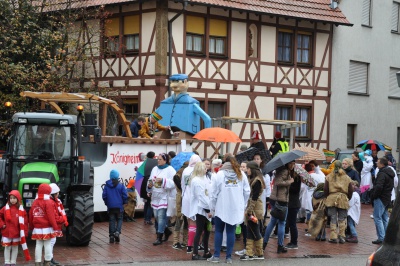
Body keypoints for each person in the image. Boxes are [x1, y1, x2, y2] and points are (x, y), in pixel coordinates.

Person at [208, 156, 250, 264]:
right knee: (231, 231)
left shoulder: (220, 175)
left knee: (218, 231)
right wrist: (243, 204)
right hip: (235, 207)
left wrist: (212, 207)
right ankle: (228, 257)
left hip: (221, 207)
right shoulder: (241, 174)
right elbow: (247, 191)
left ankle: (216, 256)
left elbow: (213, 193)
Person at [262, 161, 294, 254]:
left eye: (294, 163)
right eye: (291, 163)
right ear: (287, 163)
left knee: (272, 222)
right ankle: (280, 246)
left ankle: (264, 244)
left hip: (275, 198)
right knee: (281, 223)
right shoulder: (285, 171)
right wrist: (290, 181)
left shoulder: (280, 170)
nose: (293, 165)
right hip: (281, 200)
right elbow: (279, 182)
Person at [147, 153, 176, 245]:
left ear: (165, 160)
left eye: (160, 159)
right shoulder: (154, 169)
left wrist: (163, 180)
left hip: (164, 196)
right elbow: (150, 179)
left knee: (161, 216)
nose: (158, 161)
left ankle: (159, 237)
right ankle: (167, 231)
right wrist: (150, 185)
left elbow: (173, 182)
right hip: (155, 195)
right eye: (158, 159)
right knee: (156, 216)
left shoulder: (170, 169)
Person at [239, 161, 265, 261]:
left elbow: (254, 198)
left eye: (248, 169)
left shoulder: (257, 181)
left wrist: (249, 210)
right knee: (250, 230)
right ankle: (249, 253)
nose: (247, 170)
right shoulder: (253, 179)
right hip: (252, 208)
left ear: (252, 169)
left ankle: (259, 253)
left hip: (255, 209)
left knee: (255, 231)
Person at [323, 160, 353, 244]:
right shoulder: (346, 177)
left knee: (332, 217)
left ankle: (333, 236)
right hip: (343, 198)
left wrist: (327, 197)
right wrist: (348, 197)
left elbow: (325, 189)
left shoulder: (329, 176)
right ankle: (342, 236)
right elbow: (351, 189)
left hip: (331, 198)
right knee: (342, 218)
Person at [30, 184, 59, 266]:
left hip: (37, 228)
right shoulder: (49, 202)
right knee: (47, 244)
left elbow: (31, 214)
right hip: (47, 227)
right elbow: (51, 216)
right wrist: (55, 226)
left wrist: (31, 226)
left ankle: (37, 262)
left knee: (38, 244)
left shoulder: (35, 202)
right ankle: (47, 261)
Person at [189, 162, 213, 260]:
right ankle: (195, 253)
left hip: (206, 207)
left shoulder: (205, 178)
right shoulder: (196, 180)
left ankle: (206, 251)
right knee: (199, 230)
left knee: (207, 230)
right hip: (201, 209)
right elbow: (201, 196)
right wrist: (207, 210)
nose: (206, 169)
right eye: (204, 168)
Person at [0, 190, 30, 265]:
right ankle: (7, 261)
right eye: (11, 198)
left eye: (14, 198)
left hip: (17, 232)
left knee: (15, 247)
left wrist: (25, 232)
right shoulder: (5, 208)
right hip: (7, 232)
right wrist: (2, 224)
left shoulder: (21, 210)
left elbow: (25, 222)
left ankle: (13, 261)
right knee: (7, 247)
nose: (12, 200)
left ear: (18, 199)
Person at [370, 157, 395, 245]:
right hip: (387, 197)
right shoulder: (390, 173)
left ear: (382, 164)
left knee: (377, 218)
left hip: (380, 198)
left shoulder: (382, 174)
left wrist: (374, 195)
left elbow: (379, 186)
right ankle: (387, 237)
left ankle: (381, 237)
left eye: (378, 162)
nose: (377, 163)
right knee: (385, 218)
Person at [181, 154, 202, 253]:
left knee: (190, 222)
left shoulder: (185, 170)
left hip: (186, 198)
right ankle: (193, 245)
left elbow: (182, 185)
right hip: (195, 199)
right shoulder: (198, 171)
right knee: (196, 223)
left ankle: (190, 245)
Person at [102, 169, 128, 243]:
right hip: (119, 206)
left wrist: (107, 203)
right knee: (120, 219)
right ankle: (117, 232)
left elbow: (104, 196)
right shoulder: (121, 185)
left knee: (111, 220)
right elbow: (124, 195)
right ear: (117, 176)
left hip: (110, 206)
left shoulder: (107, 186)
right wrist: (125, 202)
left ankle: (111, 236)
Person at [172, 161, 189, 250]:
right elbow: (181, 188)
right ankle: (175, 241)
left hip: (186, 198)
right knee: (179, 219)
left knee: (186, 221)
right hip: (180, 198)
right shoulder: (176, 177)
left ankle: (185, 241)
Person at [49, 183, 67, 266]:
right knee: (51, 242)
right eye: (57, 193)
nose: (58, 194)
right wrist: (62, 219)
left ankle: (50, 259)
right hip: (51, 225)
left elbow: (61, 211)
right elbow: (55, 215)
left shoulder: (57, 201)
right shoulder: (51, 202)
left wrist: (63, 219)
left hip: (54, 224)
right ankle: (49, 259)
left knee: (52, 241)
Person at [140, 151, 158, 225]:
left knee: (146, 203)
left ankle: (145, 218)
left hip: (143, 183)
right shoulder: (155, 164)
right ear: (154, 156)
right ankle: (148, 219)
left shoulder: (144, 163)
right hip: (150, 183)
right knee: (150, 203)